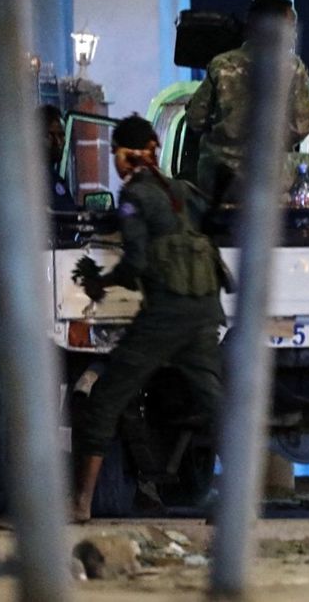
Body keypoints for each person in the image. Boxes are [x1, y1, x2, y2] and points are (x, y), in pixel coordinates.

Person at [70, 115, 225, 522]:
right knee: (216, 401)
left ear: (128, 153)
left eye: (116, 153)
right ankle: (241, 500)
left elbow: (136, 259)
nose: (116, 163)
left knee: (106, 398)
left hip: (165, 313)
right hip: (205, 307)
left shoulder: (133, 196)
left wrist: (101, 283)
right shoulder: (179, 189)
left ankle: (81, 503)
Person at [185, 0, 309, 206]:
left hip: (218, 178)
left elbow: (195, 119)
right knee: (308, 163)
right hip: (265, 175)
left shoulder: (221, 64)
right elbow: (301, 126)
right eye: (291, 25)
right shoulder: (292, 67)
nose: (293, 34)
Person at [38, 104, 77, 211]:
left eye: (62, 135)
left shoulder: (54, 176)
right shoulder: (34, 179)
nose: (60, 142)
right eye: (52, 135)